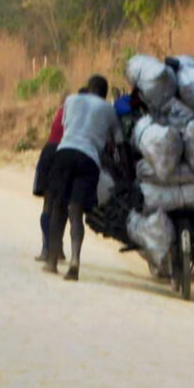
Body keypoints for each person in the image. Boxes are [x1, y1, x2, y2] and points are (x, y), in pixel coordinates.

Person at [43, 75, 129, 281]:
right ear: (104, 92)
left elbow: (66, 126)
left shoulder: (71, 100)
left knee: (58, 207)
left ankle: (53, 260)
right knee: (76, 210)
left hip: (64, 153)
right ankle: (74, 262)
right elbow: (118, 141)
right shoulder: (108, 109)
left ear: (88, 89)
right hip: (89, 159)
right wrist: (125, 171)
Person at [32, 94, 66, 261]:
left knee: (48, 204)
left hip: (51, 152)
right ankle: (57, 248)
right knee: (62, 206)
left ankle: (47, 249)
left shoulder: (61, 111)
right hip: (65, 153)